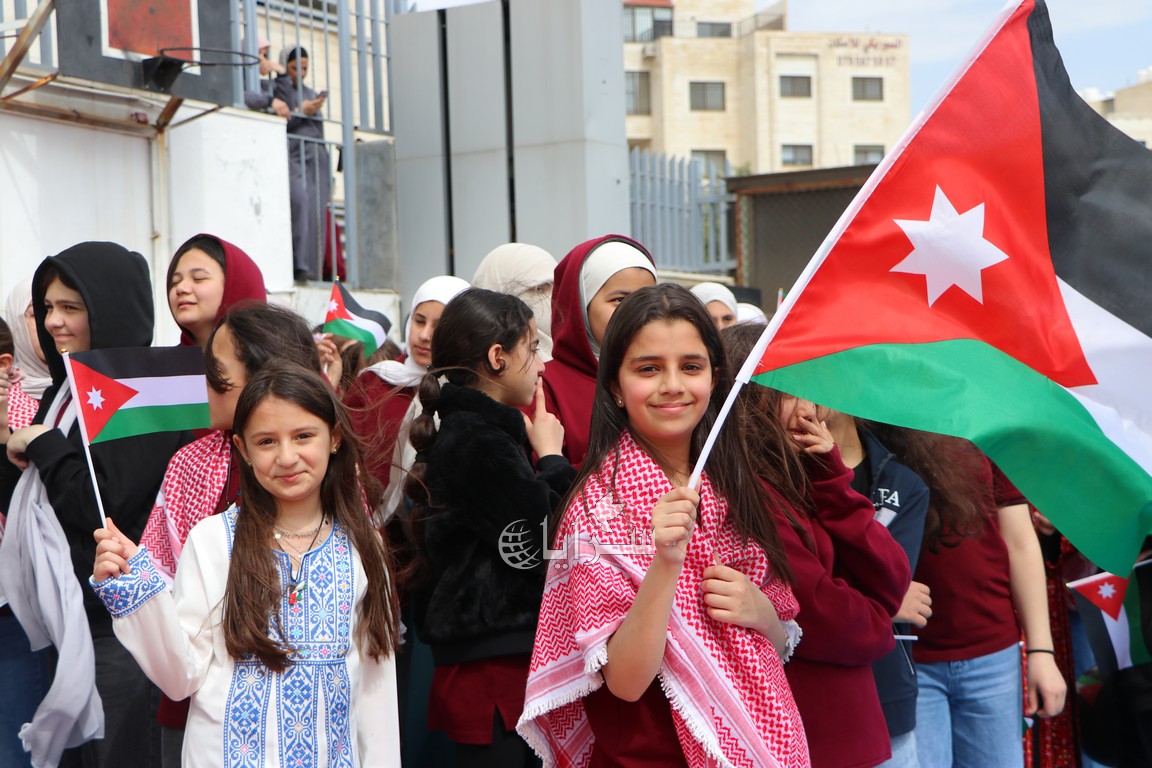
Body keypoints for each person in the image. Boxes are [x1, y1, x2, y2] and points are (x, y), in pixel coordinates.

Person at [519, 283, 808, 767]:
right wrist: (666, 562)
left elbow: (778, 643)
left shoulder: (734, 486)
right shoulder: (597, 508)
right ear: (615, 385)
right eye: (648, 368)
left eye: (691, 367)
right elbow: (625, 682)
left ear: (715, 378)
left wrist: (762, 614)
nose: (673, 385)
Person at [90, 363, 401, 767]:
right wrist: (136, 591)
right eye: (267, 441)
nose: (287, 457)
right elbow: (180, 676)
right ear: (244, 450)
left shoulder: (363, 545)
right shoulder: (212, 540)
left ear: (335, 437)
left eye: (303, 436)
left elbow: (377, 692)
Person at [0, 242, 191, 767]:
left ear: (109, 308)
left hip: (120, 626)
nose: (53, 322)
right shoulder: (63, 388)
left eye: (71, 307)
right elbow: (36, 500)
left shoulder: (144, 391)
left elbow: (100, 509)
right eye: (47, 307)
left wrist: (44, 445)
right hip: (65, 619)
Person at [723, 323, 912, 768]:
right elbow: (817, 611)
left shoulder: (801, 478)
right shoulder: (752, 493)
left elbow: (892, 576)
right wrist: (878, 622)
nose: (808, 410)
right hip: (816, 735)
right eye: (789, 393)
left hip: (847, 726)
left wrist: (832, 480)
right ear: (747, 400)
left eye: (810, 391)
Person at [402, 288, 573, 766]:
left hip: (496, 659)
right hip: (493, 667)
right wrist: (554, 460)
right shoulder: (475, 439)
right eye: (533, 348)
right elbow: (545, 540)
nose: (542, 364)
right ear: (498, 357)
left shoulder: (478, 431)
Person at [896, 435, 1068, 767]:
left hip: (993, 654)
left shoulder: (986, 422)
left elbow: (1020, 541)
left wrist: (1042, 652)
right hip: (907, 654)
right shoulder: (875, 422)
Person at [823, 414, 933, 768]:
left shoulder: (904, 483)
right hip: (813, 695)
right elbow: (798, 590)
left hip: (887, 692)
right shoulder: (777, 476)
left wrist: (883, 599)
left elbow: (889, 583)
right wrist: (887, 603)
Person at [542, 234, 656, 467]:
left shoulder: (671, 377)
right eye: (620, 300)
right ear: (582, 305)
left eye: (646, 300)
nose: (636, 312)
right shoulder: (543, 386)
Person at [274, 47, 331, 282]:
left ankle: (314, 269)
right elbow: (277, 123)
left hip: (316, 158)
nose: (301, 73)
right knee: (300, 203)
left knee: (317, 213)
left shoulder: (310, 93)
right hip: (294, 154)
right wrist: (300, 111)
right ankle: (299, 264)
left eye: (305, 68)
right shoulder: (279, 90)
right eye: (295, 68)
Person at [166, 233, 266, 348]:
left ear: (235, 285)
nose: (181, 288)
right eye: (175, 281)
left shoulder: (276, 358)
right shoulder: (163, 360)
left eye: (198, 278)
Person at [472, 242, 558, 361]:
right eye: (539, 289)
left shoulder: (576, 357)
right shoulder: (474, 367)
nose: (553, 298)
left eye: (557, 288)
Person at [4, 279, 52, 430]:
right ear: (17, 323)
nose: (51, 323)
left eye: (67, 309)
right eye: (36, 314)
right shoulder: (4, 401)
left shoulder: (94, 389)